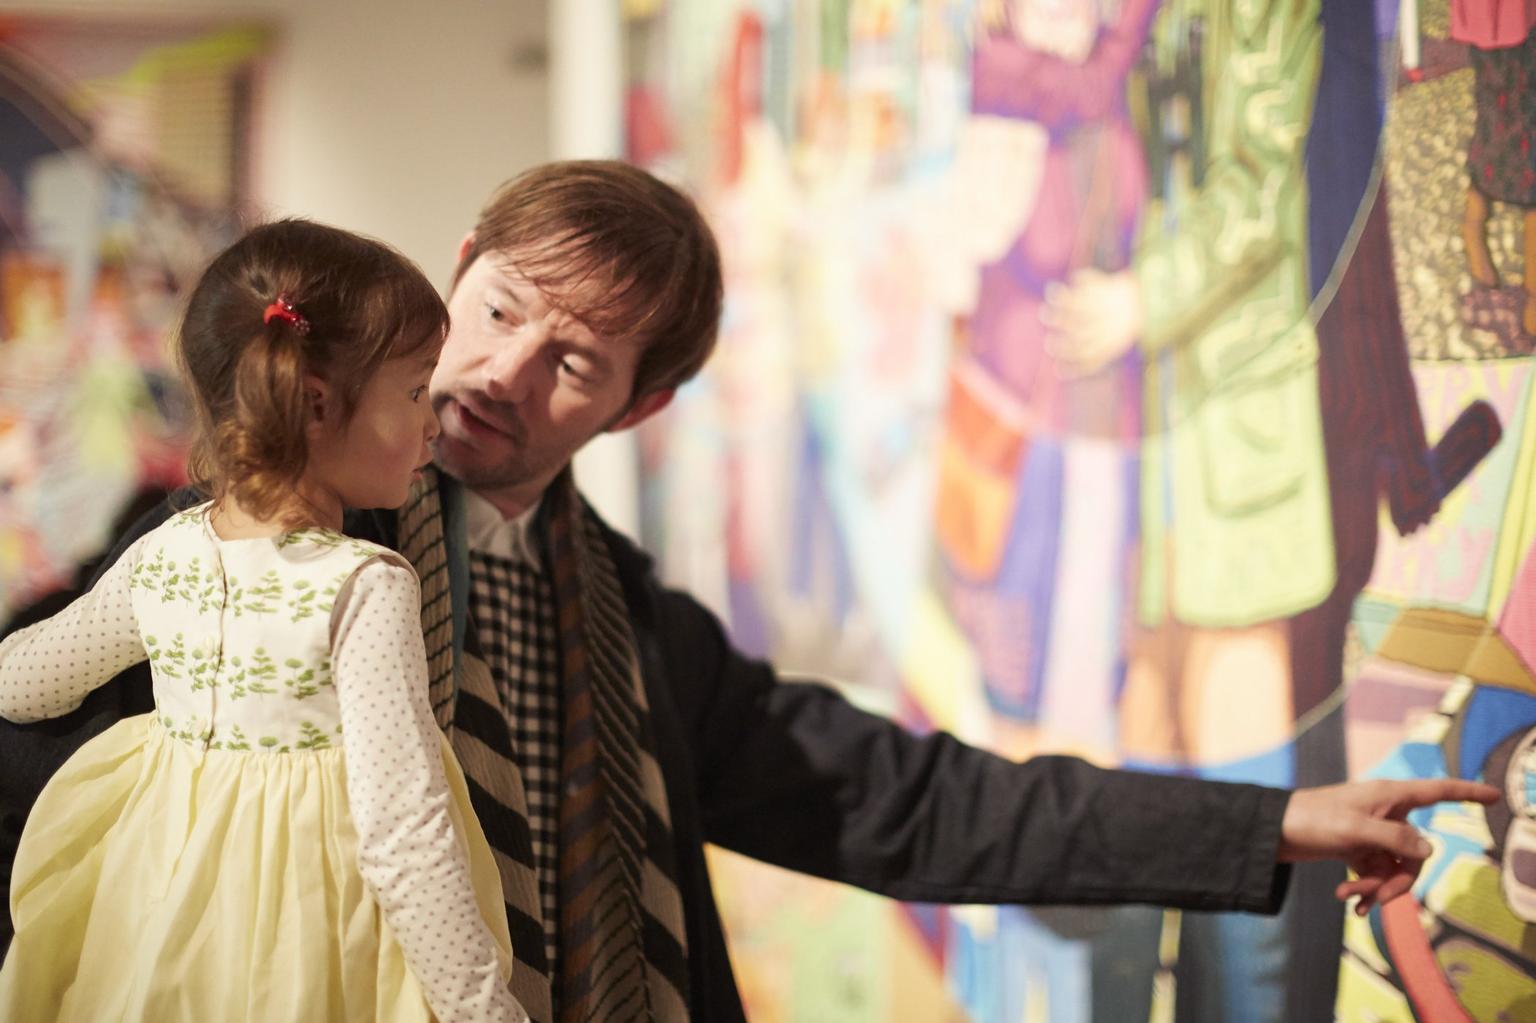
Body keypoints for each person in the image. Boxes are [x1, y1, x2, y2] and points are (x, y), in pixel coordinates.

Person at [1, 161, 1501, 1023]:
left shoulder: (633, 618)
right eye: (502, 308)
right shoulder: (247, 542)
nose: (500, 374)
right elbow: (28, 743)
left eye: (574, 361)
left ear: (637, 409)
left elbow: (908, 800)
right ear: (457, 270)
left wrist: (1269, 818)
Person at [0, 220, 528, 1022]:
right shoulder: (364, 586)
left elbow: (23, 683)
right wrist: (485, 1009)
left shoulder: (162, 556)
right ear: (316, 403)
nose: (434, 424)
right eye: (417, 391)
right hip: (309, 934)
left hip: (153, 921)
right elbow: (404, 834)